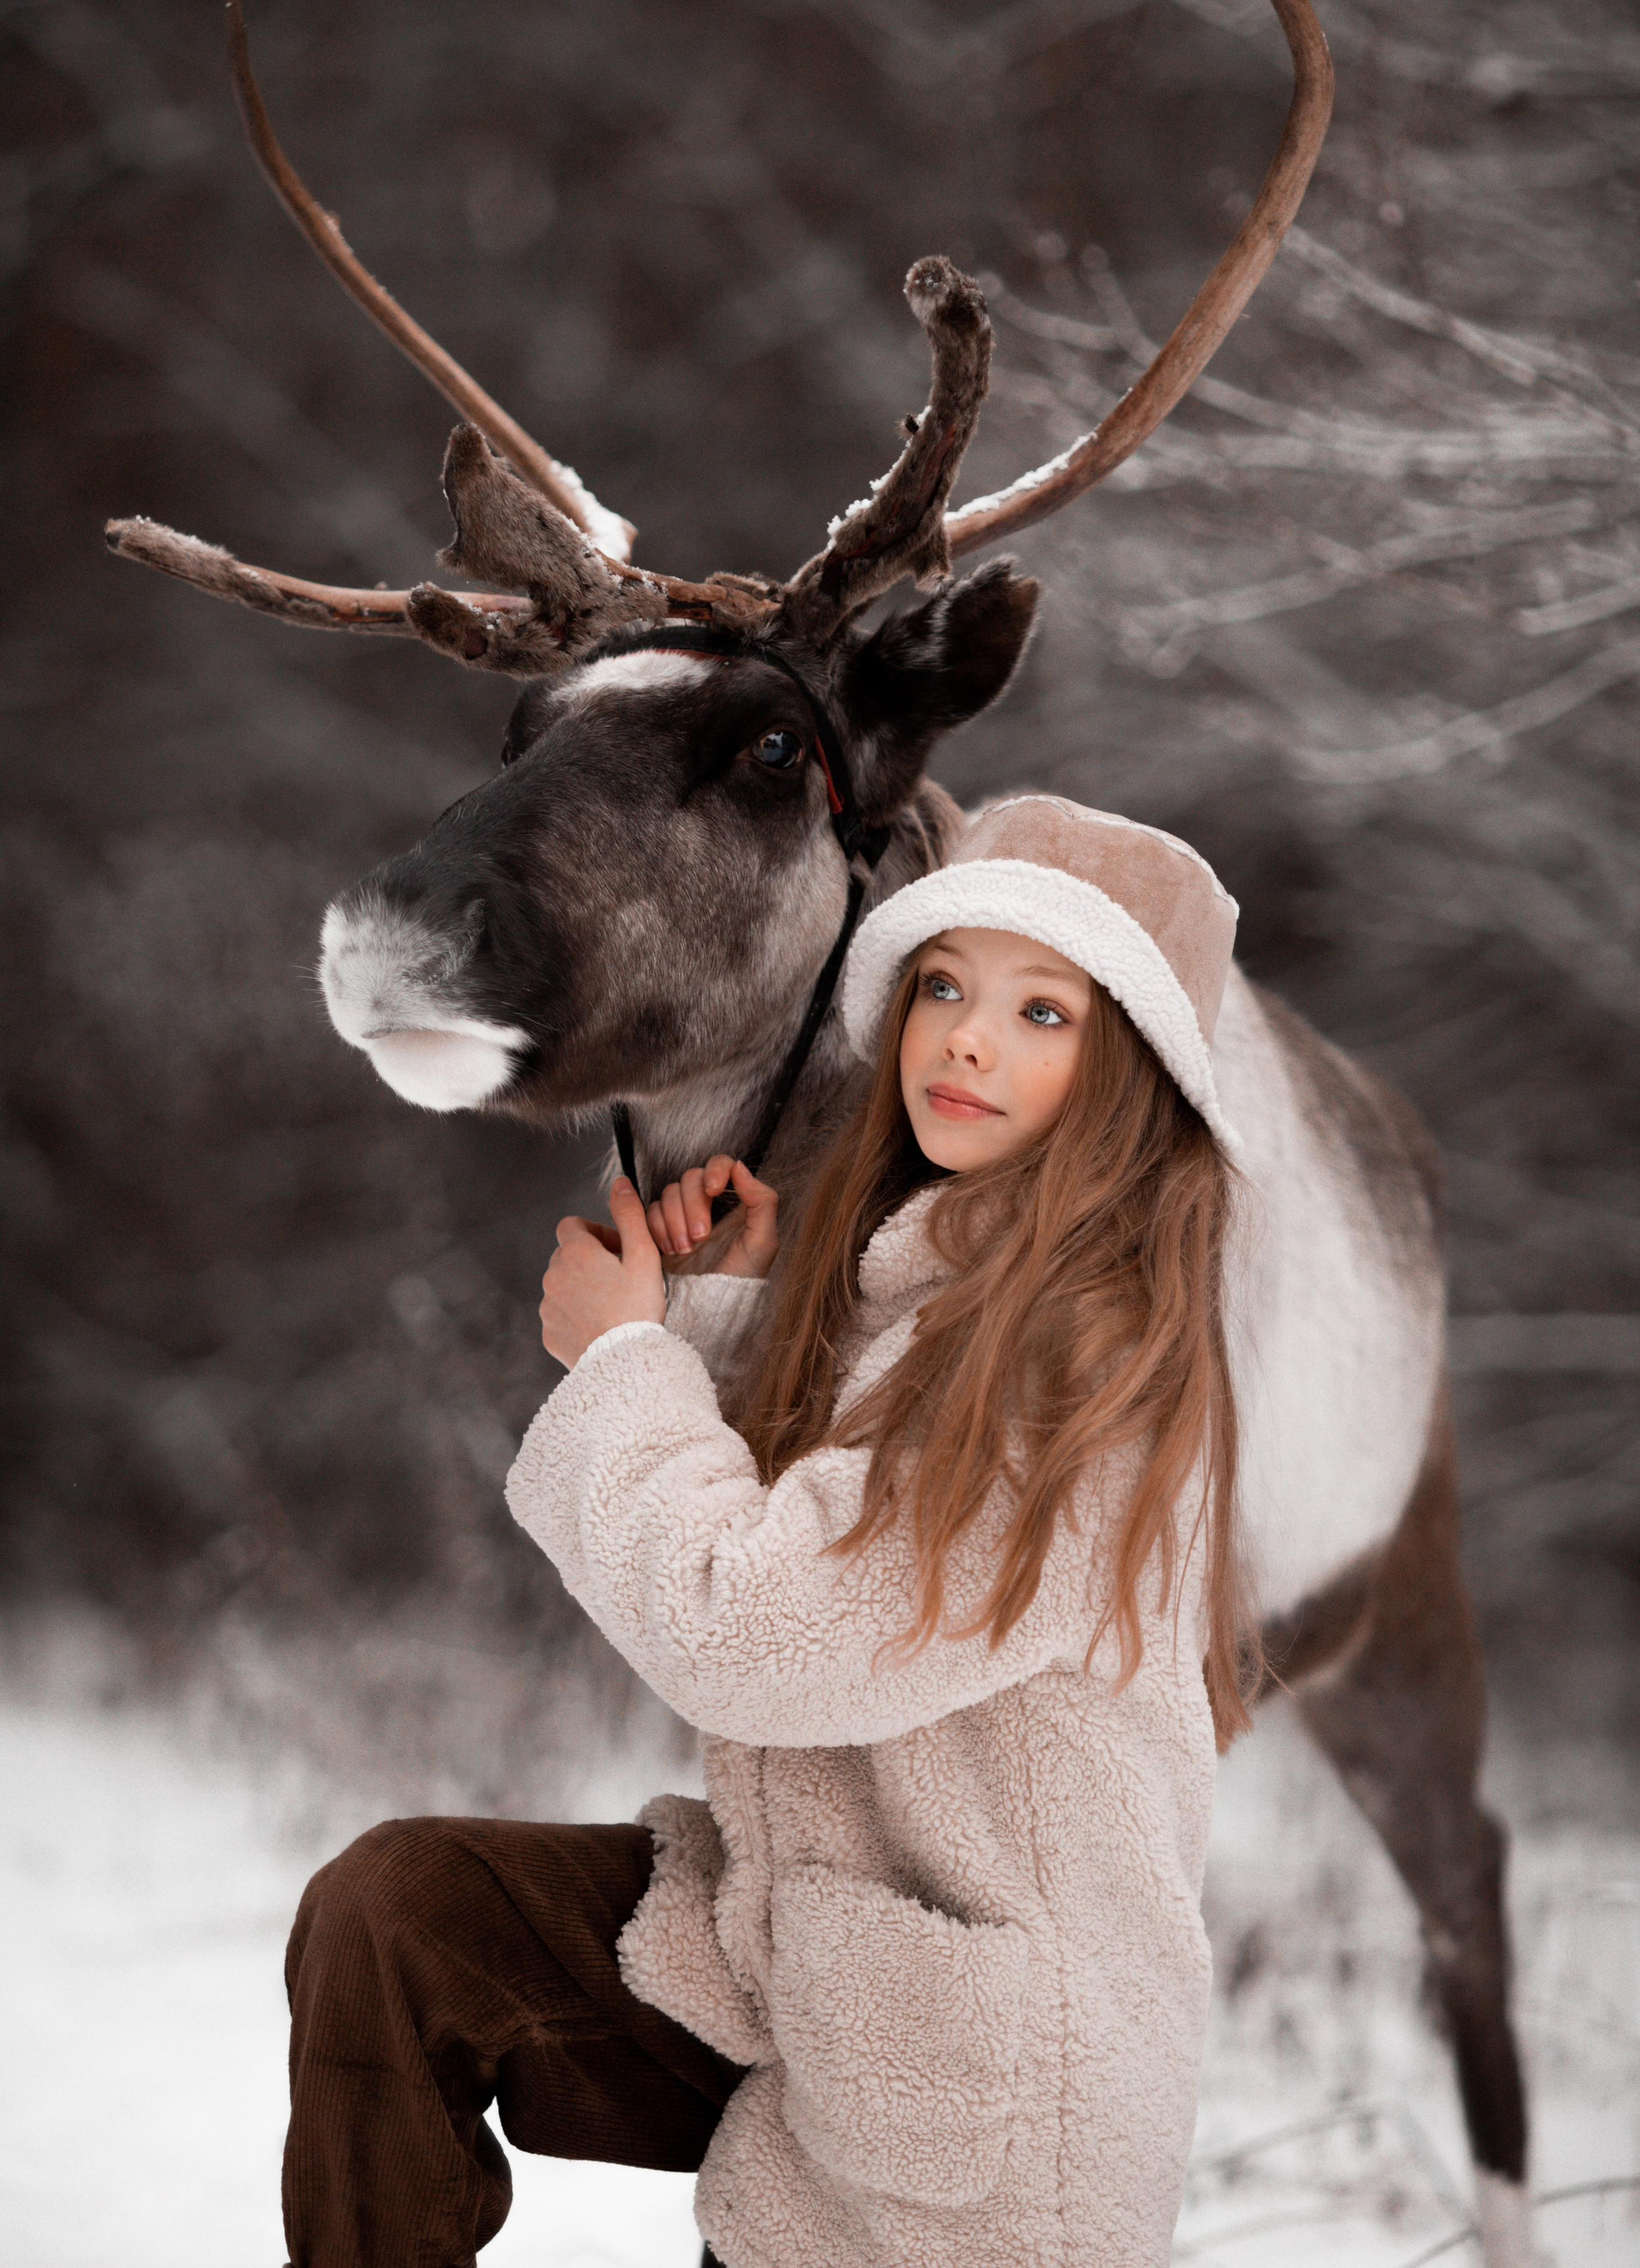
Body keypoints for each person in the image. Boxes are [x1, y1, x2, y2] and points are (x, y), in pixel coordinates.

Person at [281, 794, 1248, 2268]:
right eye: (943, 986)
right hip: (806, 1961)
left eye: (1041, 1011)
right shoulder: (934, 1295)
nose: (964, 1041)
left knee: (412, 1919)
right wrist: (718, 1326)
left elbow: (757, 1633)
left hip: (976, 2129)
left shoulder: (1080, 1367)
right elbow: (839, 1543)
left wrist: (625, 1362)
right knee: (409, 1920)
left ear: (1131, 1076)